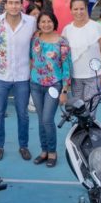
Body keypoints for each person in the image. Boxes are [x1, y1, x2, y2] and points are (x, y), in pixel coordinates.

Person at [0, 0, 36, 162]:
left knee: (23, 114)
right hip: (1, 75)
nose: (14, 6)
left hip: (22, 76)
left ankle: (23, 146)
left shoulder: (31, 22)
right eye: (10, 3)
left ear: (22, 5)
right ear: (5, 5)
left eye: (17, 3)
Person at [29, 11, 72, 167]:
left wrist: (64, 90)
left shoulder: (62, 42)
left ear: (54, 23)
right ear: (38, 24)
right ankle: (44, 151)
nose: (46, 24)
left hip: (54, 85)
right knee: (41, 119)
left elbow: (66, 67)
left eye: (49, 21)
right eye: (43, 21)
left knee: (47, 119)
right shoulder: (35, 39)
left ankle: (52, 152)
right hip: (35, 84)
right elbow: (31, 59)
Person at [63, 0, 101, 104]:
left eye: (82, 9)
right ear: (71, 10)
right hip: (75, 77)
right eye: (75, 9)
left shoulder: (97, 27)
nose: (79, 12)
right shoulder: (67, 30)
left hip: (94, 76)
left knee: (90, 109)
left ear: (86, 8)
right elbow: (65, 56)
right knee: (78, 109)